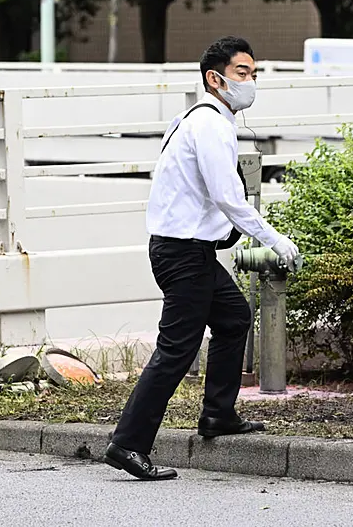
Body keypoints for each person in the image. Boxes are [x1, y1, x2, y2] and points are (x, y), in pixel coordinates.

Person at [104, 36, 301, 480]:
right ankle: (127, 444)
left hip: (186, 250)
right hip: (183, 253)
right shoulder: (210, 124)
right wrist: (274, 239)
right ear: (216, 79)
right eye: (241, 74)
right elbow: (228, 197)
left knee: (233, 317)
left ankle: (218, 415)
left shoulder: (196, 118)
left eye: (253, 73)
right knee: (176, 350)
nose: (250, 82)